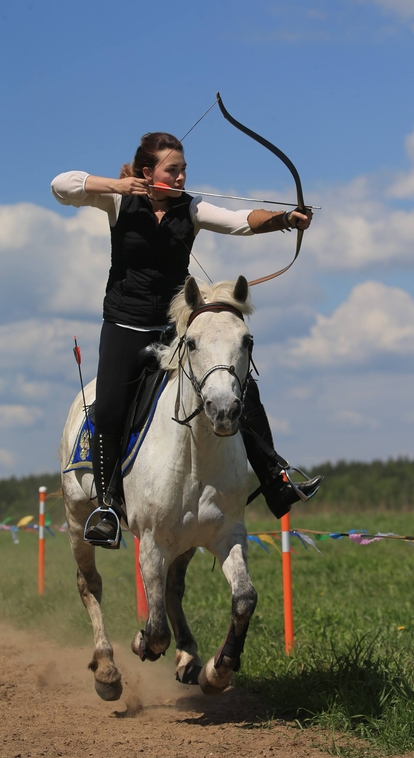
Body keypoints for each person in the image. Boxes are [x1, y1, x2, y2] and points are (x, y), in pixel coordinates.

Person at [51, 132, 323, 546]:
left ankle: (276, 479)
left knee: (237, 386)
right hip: (124, 324)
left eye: (183, 171)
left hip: (174, 328)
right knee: (107, 409)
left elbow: (240, 221)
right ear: (148, 172)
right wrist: (117, 185)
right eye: (172, 170)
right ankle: (107, 506)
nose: (180, 178)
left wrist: (285, 219)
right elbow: (61, 186)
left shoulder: (190, 207)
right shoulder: (120, 201)